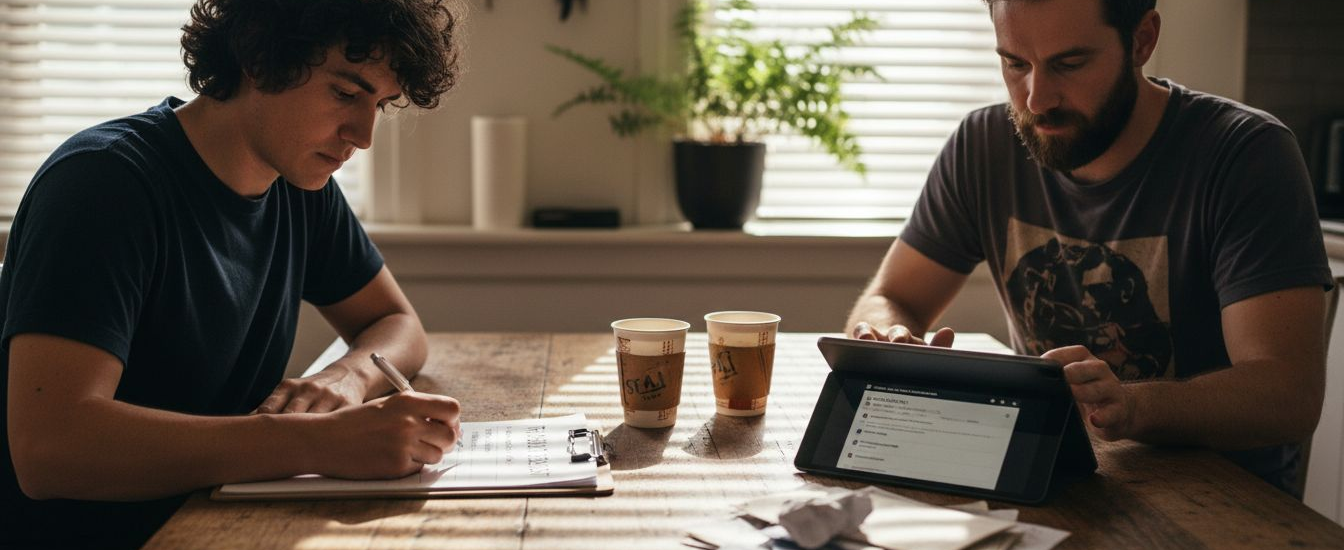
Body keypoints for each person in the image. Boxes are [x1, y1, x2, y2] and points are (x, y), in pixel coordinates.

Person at [0, 1, 464, 547]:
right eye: (345, 93)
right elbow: (51, 451)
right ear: (259, 56)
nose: (363, 135)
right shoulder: (103, 185)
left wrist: (348, 376)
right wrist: (315, 442)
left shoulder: (299, 186)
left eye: (381, 105)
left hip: (219, 523)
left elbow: (396, 321)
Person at [846, 0, 1332, 498]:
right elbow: (892, 297)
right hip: (1055, 485)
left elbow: (1289, 393)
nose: (1036, 99)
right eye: (1016, 64)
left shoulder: (1245, 154)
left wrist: (1133, 406)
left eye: (1069, 64)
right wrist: (888, 339)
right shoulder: (983, 145)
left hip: (1224, 505)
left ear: (1142, 40)